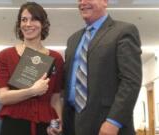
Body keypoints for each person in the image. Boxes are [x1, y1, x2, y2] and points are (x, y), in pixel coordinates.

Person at [48, 0, 142, 135]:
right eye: (79, 0)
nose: (83, 2)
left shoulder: (123, 31)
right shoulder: (73, 39)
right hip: (71, 124)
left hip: (106, 125)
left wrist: (114, 121)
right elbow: (67, 83)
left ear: (105, 2)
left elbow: (131, 81)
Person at [0, 2, 63, 135]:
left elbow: (55, 98)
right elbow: (2, 97)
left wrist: (59, 121)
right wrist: (32, 90)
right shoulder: (6, 55)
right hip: (14, 124)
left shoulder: (56, 58)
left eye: (34, 19)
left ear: (43, 23)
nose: (28, 24)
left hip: (45, 124)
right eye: (24, 19)